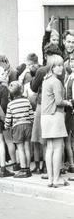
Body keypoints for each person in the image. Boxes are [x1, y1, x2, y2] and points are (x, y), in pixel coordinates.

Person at [41, 54, 71, 188]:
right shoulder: (56, 82)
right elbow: (59, 101)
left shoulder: (45, 80)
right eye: (58, 65)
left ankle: (50, 179)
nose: (61, 67)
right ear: (52, 68)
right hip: (55, 116)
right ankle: (57, 178)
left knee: (49, 149)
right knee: (58, 148)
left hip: (45, 117)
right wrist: (68, 102)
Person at [5, 81, 35, 178]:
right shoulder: (27, 101)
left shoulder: (10, 104)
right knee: (27, 149)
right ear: (21, 90)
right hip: (28, 125)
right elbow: (31, 115)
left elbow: (8, 119)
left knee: (20, 149)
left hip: (17, 127)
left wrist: (6, 126)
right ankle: (28, 169)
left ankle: (23, 169)